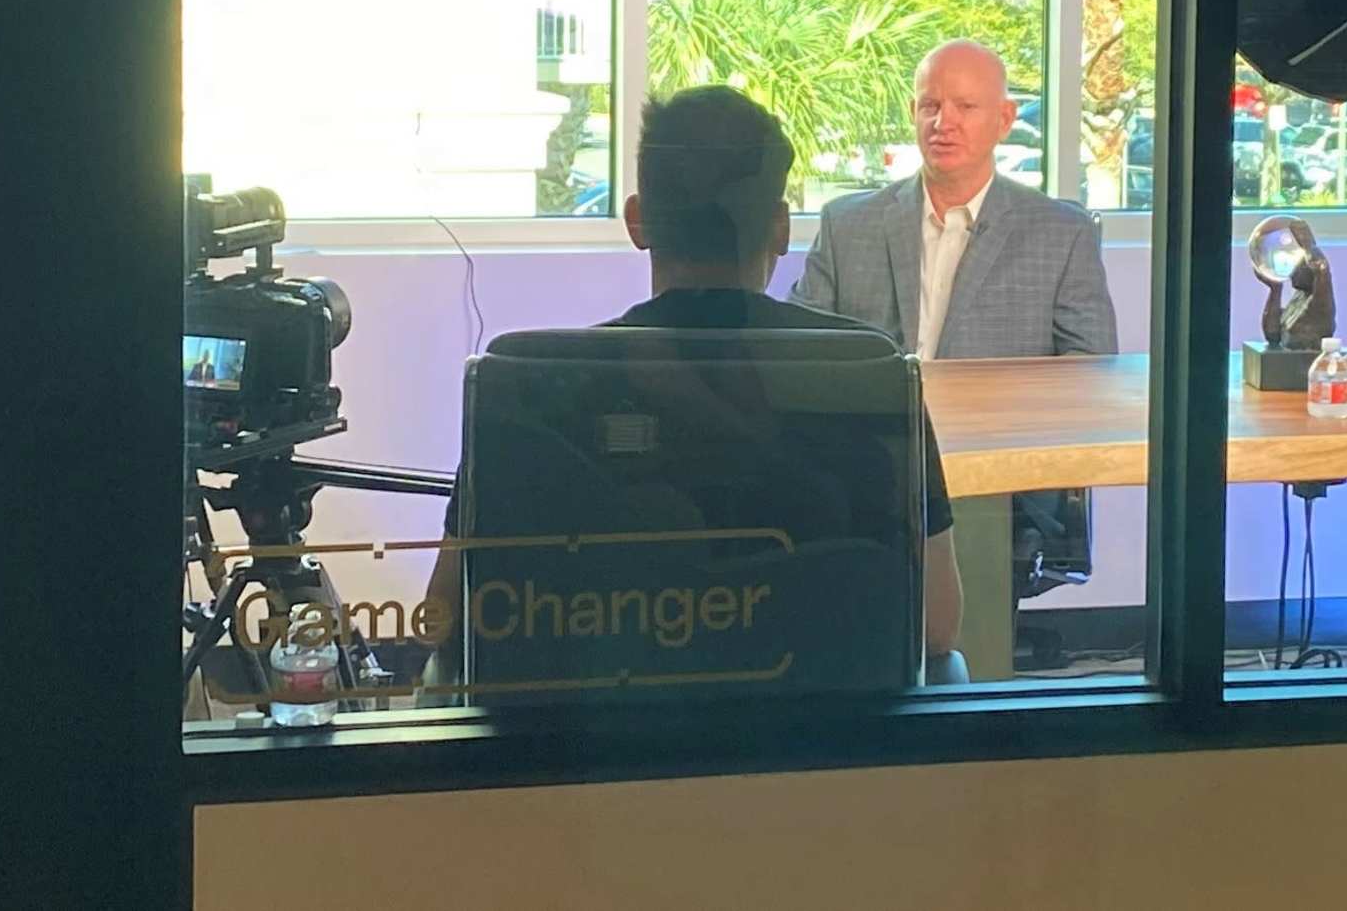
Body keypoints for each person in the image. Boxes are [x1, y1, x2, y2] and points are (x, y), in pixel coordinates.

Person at [421, 86, 961, 677]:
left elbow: (444, 618)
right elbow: (935, 626)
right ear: (780, 228)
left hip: (584, 755)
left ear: (637, 221)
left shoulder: (530, 383)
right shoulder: (869, 378)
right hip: (821, 755)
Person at [793, 41, 1117, 360]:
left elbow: (1090, 369)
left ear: (1005, 119)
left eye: (965, 106)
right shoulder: (845, 225)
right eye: (930, 106)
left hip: (998, 413)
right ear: (913, 113)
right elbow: (798, 353)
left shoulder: (1063, 234)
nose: (943, 123)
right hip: (874, 412)